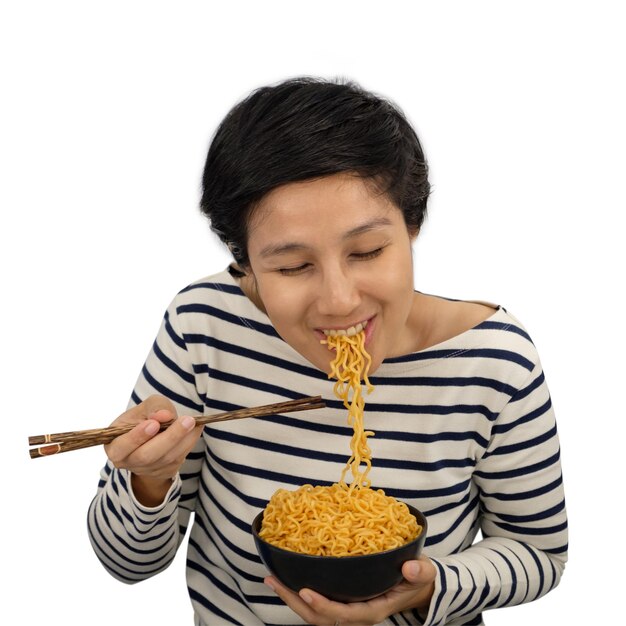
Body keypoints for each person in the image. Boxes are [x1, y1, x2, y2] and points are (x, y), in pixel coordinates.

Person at [87, 77, 568, 626]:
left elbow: (540, 553)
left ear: (413, 227)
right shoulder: (206, 325)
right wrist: (151, 479)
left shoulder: (492, 361)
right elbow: (126, 564)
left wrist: (435, 587)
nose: (340, 301)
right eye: (293, 267)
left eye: (366, 251)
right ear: (243, 261)